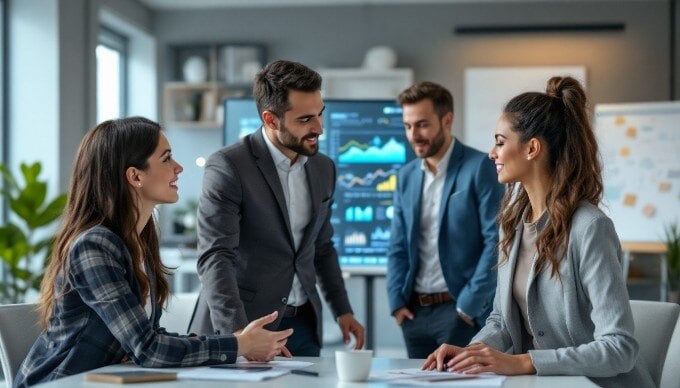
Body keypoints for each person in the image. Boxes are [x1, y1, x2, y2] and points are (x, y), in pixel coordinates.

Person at [14, 117, 291, 387]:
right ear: (135, 176)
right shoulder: (94, 246)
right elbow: (149, 349)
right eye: (167, 158)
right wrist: (239, 344)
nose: (178, 168)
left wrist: (243, 344)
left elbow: (150, 338)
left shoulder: (138, 242)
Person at [422, 77, 654, 388]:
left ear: (532, 148)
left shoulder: (590, 229)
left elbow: (619, 349)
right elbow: (501, 323)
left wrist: (523, 361)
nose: (492, 153)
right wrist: (472, 353)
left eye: (500, 142)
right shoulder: (512, 224)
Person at [188, 60, 364, 356]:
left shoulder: (323, 168)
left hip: (303, 325)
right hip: (246, 323)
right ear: (271, 120)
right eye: (305, 119)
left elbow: (321, 248)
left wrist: (343, 311)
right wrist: (238, 337)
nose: (319, 128)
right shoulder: (229, 166)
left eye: (321, 114)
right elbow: (216, 256)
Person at [386, 82, 504, 359]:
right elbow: (397, 245)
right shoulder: (406, 177)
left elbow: (495, 241)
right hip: (413, 314)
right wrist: (396, 303)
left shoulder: (480, 167)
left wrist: (467, 308)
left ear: (447, 120)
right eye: (407, 126)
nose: (414, 135)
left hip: (459, 312)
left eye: (423, 125)